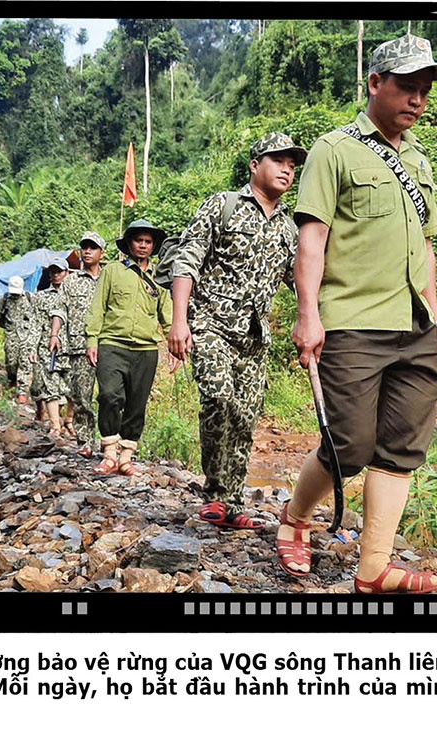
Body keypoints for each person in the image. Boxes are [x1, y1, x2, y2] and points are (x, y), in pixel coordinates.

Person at [277, 33, 437, 592]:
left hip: (415, 324)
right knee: (348, 445)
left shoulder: (419, 159)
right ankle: (295, 518)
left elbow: (425, 247)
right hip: (353, 320)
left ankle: (373, 568)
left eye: (425, 90)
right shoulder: (334, 150)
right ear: (375, 83)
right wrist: (308, 315)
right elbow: (312, 239)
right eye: (407, 86)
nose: (417, 99)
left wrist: (435, 318)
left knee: (401, 447)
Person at [166, 133, 306, 530]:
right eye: (278, 161)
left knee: (245, 417)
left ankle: (231, 503)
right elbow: (187, 261)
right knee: (218, 398)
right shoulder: (223, 206)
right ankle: (214, 493)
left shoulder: (289, 229)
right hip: (210, 323)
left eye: (292, 166)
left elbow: (299, 282)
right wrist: (179, 320)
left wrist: (313, 319)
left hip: (255, 338)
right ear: (255, 164)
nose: (286, 170)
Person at [84, 219, 180, 476]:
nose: (143, 245)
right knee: (109, 395)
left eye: (148, 241)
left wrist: (174, 346)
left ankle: (126, 457)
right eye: (138, 240)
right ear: (129, 243)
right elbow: (98, 307)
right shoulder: (112, 271)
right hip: (112, 343)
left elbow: (167, 315)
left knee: (137, 403)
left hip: (146, 349)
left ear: (153, 246)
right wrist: (92, 340)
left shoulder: (160, 277)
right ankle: (109, 452)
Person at [51, 231, 106, 457]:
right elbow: (59, 309)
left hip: (109, 344)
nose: (87, 251)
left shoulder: (110, 278)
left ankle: (110, 442)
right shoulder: (71, 281)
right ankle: (86, 441)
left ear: (102, 253)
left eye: (93, 248)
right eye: (85, 247)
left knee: (110, 396)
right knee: (82, 397)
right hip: (79, 346)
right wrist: (54, 334)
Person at [25, 256, 70, 436]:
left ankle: (65, 420)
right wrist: (32, 348)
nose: (56, 275)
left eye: (59, 271)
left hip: (71, 348)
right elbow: (34, 324)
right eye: (53, 272)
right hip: (47, 348)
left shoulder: (75, 295)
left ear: (67, 273)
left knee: (68, 388)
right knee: (50, 387)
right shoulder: (41, 297)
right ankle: (55, 425)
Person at [0, 275, 33, 403]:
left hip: (27, 335)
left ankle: (22, 391)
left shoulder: (30, 298)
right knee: (11, 362)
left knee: (25, 363)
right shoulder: (4, 299)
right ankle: (12, 380)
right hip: (11, 334)